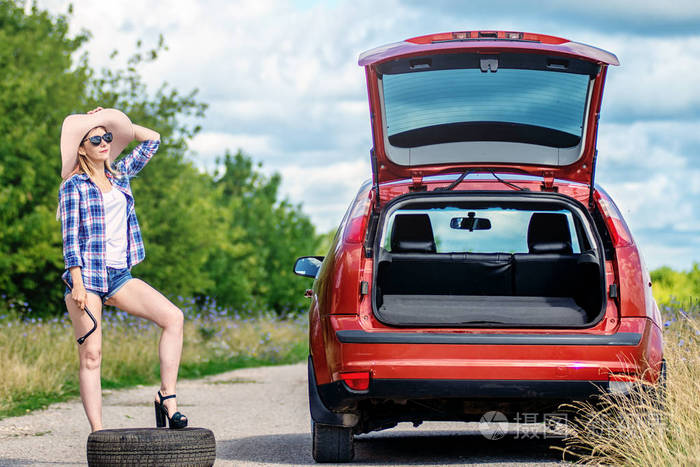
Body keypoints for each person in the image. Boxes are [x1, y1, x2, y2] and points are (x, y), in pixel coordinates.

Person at [58, 107, 187, 432]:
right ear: (81, 148)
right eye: (95, 138)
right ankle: (99, 433)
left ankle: (167, 398)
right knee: (92, 354)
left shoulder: (120, 176)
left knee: (173, 317)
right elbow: (69, 238)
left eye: (108, 136)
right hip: (86, 277)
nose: (104, 142)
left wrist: (117, 122)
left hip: (119, 276)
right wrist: (77, 283)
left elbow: (152, 140)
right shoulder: (73, 187)